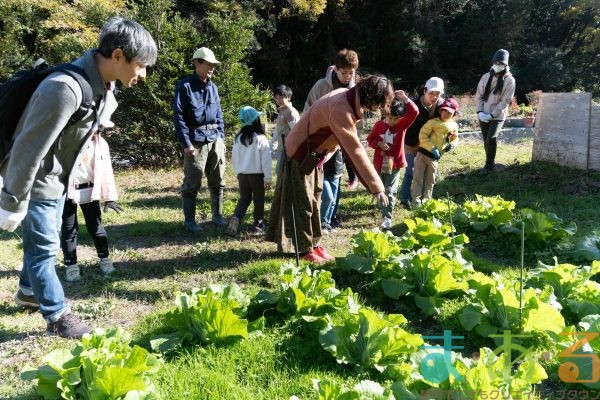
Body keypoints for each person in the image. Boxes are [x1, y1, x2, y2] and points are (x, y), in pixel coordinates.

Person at [0, 17, 157, 338]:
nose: (142, 74)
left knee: (46, 242)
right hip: (39, 180)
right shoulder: (65, 89)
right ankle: (58, 316)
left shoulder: (102, 84)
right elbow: (27, 149)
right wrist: (12, 201)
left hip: (61, 179)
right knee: (44, 250)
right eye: (140, 65)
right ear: (117, 56)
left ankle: (29, 290)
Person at [266, 75, 393, 264]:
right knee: (303, 203)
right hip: (299, 154)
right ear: (371, 98)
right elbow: (355, 149)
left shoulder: (348, 97)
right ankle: (303, 249)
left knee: (315, 201)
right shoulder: (341, 107)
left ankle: (314, 245)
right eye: (378, 103)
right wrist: (377, 187)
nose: (376, 109)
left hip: (314, 156)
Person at [61, 117, 122, 282]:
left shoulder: (101, 145)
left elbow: (106, 171)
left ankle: (105, 259)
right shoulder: (65, 140)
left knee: (95, 225)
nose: (98, 130)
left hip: (90, 190)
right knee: (68, 229)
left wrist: (110, 197)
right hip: (67, 192)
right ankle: (71, 265)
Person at [173, 46, 227, 232]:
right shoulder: (185, 87)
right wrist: (186, 143)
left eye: (213, 65)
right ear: (197, 63)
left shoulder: (213, 88)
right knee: (192, 183)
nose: (212, 68)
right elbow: (179, 117)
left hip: (215, 140)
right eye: (208, 64)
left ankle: (218, 216)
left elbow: (219, 114)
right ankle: (189, 222)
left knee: (218, 181)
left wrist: (221, 137)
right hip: (195, 142)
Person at [304, 49, 359, 227]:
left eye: (351, 73)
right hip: (320, 139)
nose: (347, 77)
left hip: (341, 139)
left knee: (335, 176)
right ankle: (320, 218)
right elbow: (308, 110)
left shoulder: (355, 89)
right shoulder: (321, 86)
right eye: (344, 73)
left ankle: (330, 218)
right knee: (321, 178)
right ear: (336, 69)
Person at [366, 92, 419, 229]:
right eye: (390, 117)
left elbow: (414, 112)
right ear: (385, 114)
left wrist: (405, 98)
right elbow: (370, 140)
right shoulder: (379, 125)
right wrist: (378, 144)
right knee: (380, 187)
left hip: (394, 164)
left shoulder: (401, 126)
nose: (393, 121)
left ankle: (387, 217)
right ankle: (381, 206)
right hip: (380, 163)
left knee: (390, 190)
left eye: (396, 118)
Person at [399, 77, 445, 209]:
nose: (434, 97)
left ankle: (423, 199)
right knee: (410, 171)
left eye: (437, 94)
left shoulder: (441, 105)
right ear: (425, 90)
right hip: (410, 142)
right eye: (431, 93)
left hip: (428, 144)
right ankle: (404, 199)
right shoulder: (414, 104)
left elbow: (449, 115)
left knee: (426, 172)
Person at [227, 106, 272, 237]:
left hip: (242, 175)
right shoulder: (260, 138)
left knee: (244, 199)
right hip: (257, 176)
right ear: (255, 120)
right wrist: (268, 178)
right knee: (258, 200)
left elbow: (234, 158)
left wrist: (237, 172)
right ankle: (258, 225)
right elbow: (266, 160)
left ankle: (236, 217)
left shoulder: (238, 138)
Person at [411, 98, 459, 205]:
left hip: (434, 158)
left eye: (450, 112)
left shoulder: (454, 126)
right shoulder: (432, 122)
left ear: (454, 113)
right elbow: (422, 136)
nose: (446, 114)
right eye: (445, 111)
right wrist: (432, 148)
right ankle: (415, 201)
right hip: (423, 154)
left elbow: (455, 138)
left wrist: (452, 145)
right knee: (417, 178)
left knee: (430, 180)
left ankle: (427, 201)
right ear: (440, 110)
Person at [475, 49, 516, 174]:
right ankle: (490, 162)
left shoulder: (509, 80)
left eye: (501, 63)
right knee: (486, 140)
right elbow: (479, 96)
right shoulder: (486, 77)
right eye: (496, 62)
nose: (497, 65)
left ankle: (488, 166)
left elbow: (505, 101)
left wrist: (492, 115)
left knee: (491, 138)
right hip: (483, 113)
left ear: (506, 65)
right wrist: (479, 112)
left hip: (498, 115)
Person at [270, 84, 299, 174]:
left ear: (288, 97)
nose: (278, 100)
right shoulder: (282, 111)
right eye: (276, 98)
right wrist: (271, 145)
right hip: (281, 148)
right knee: (280, 172)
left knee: (282, 172)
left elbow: (297, 132)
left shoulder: (290, 112)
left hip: (288, 150)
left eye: (281, 97)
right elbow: (278, 132)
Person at [320, 149, 343, 233]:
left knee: (333, 201)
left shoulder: (340, 139)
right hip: (322, 172)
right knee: (328, 197)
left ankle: (328, 223)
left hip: (336, 172)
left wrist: (353, 177)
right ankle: (322, 222)